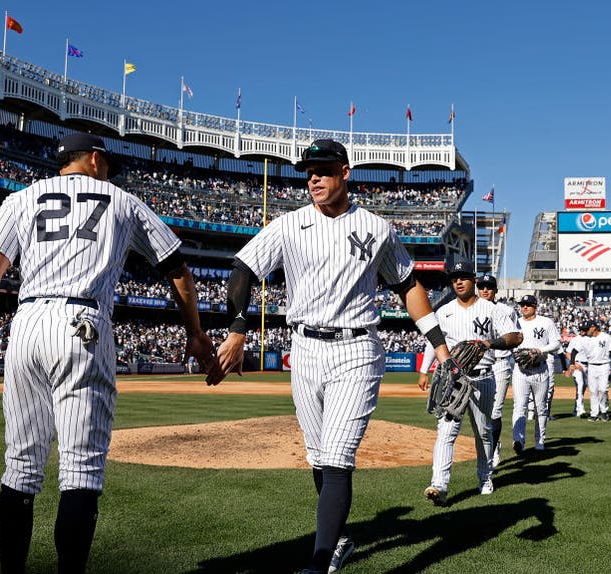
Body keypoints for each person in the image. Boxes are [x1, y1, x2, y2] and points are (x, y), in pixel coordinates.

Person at [0, 132, 216, 574]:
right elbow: (177, 269)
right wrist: (196, 332)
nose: (108, 171)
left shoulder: (21, 199)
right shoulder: (123, 201)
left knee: (21, 468)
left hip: (27, 324)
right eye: (107, 163)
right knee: (80, 471)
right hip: (82, 323)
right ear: (94, 159)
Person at [206, 139, 451, 574]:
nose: (314, 178)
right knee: (319, 456)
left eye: (323, 170)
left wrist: (439, 346)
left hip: (357, 348)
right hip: (304, 349)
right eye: (309, 172)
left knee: (337, 456)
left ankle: (318, 564)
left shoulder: (377, 228)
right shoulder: (289, 225)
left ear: (345, 172)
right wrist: (238, 329)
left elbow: (407, 284)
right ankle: (338, 539)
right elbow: (243, 268)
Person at [418, 262, 522, 506]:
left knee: (483, 431)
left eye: (463, 277)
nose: (458, 281)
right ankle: (439, 485)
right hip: (453, 378)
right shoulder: (443, 311)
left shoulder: (492, 309)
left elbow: (515, 337)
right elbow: (435, 342)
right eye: (454, 278)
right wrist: (424, 370)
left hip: (483, 376)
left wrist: (488, 344)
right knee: (446, 431)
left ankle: (485, 477)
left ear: (473, 280)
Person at [473, 274, 517, 467]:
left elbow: (515, 336)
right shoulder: (471, 309)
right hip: (478, 364)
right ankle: (492, 443)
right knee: (481, 413)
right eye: (481, 286)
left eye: (489, 287)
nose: (485, 290)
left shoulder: (507, 310)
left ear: (496, 290)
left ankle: (491, 453)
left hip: (500, 363)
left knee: (495, 411)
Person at [509, 295, 561, 453]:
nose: (524, 307)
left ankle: (540, 440)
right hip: (521, 370)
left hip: (540, 369)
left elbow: (556, 343)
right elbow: (509, 342)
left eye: (528, 304)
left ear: (535, 306)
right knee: (519, 406)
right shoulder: (515, 323)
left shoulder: (546, 322)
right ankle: (518, 440)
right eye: (522, 304)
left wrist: (540, 350)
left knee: (541, 407)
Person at [570, 320, 611, 422]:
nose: (585, 331)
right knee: (593, 391)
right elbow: (574, 352)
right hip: (591, 366)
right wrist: (572, 363)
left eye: (587, 329)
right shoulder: (585, 339)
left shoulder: (605, 337)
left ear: (594, 328)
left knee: (603, 390)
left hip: (604, 365)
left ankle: (604, 411)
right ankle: (594, 414)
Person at [565, 327, 589, 417]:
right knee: (580, 385)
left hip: (588, 365)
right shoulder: (575, 340)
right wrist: (574, 364)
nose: (582, 331)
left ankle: (576, 409)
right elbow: (568, 353)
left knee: (583, 388)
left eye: (584, 329)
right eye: (581, 329)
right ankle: (581, 410)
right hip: (577, 364)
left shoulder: (590, 339)